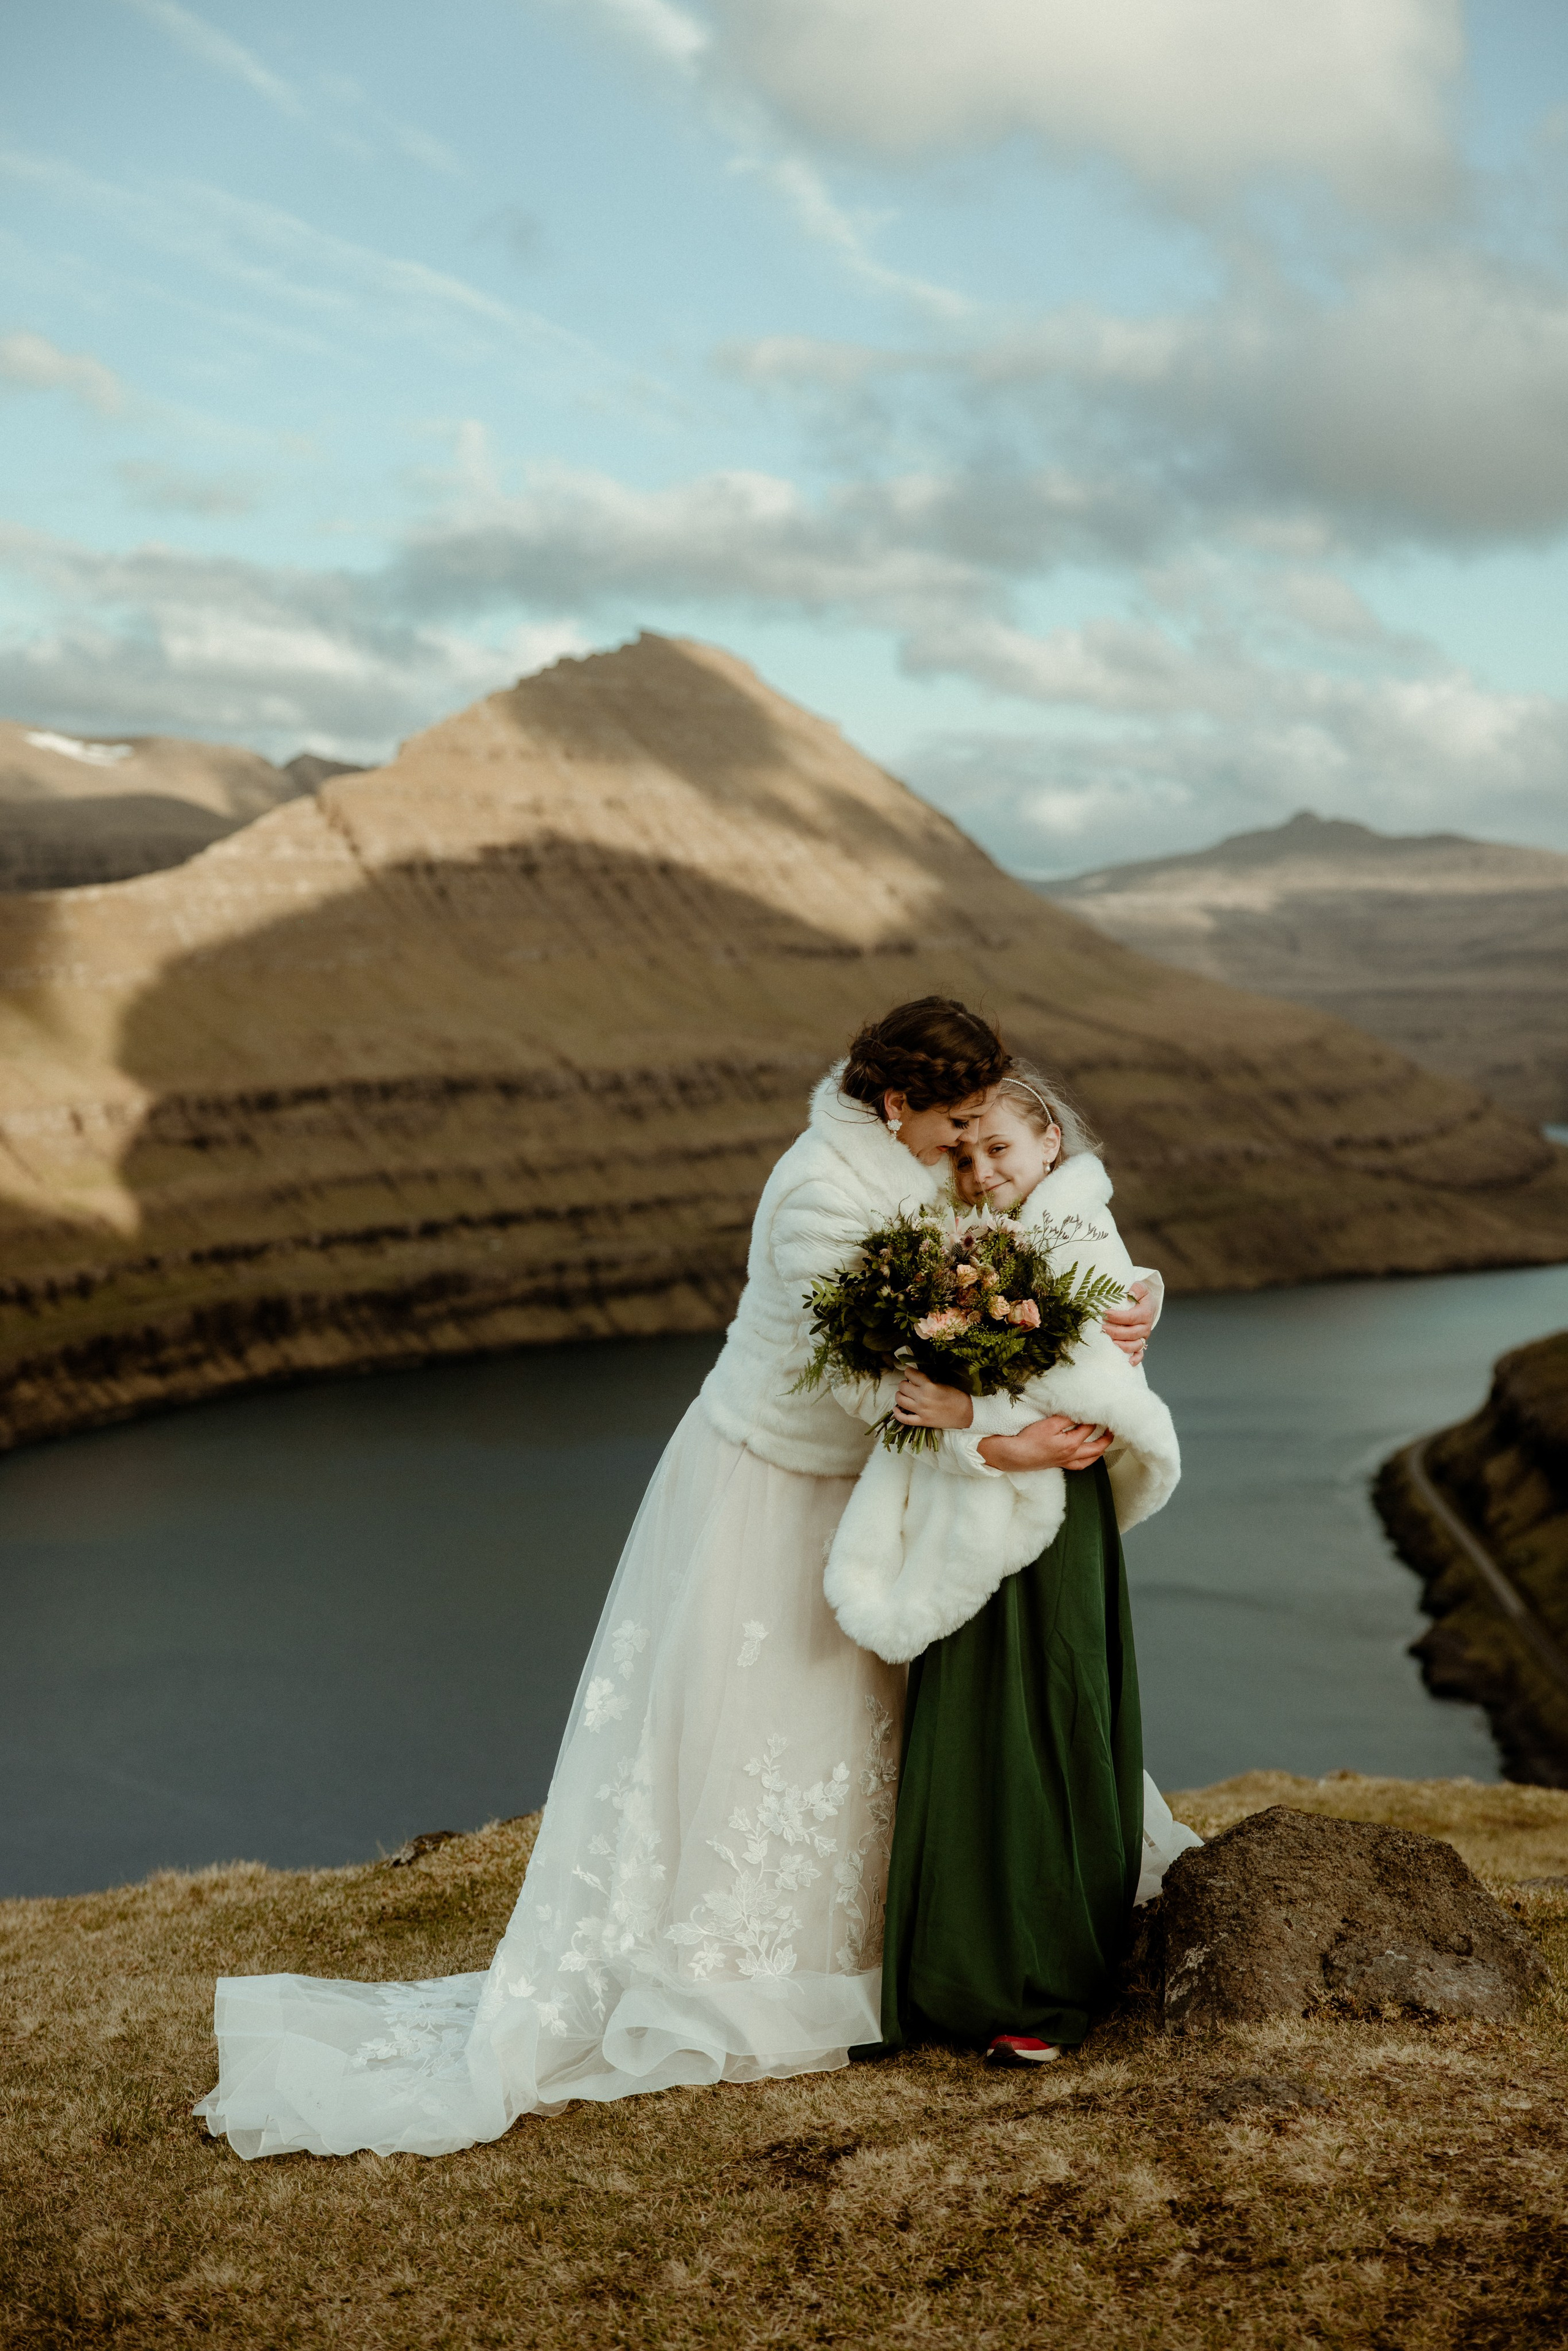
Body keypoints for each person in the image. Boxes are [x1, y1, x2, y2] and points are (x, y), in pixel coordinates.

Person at [194, 1002, 1159, 2159]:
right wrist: (1005, 1440)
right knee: (776, 1726)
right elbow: (874, 1389)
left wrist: (1118, 1313)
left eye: (981, 1133)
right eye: (954, 1127)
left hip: (874, 1489)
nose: (970, 1153)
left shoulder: (927, 1160)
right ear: (896, 1106)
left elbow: (1026, 1258)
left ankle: (905, 1940)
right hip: (774, 1487)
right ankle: (761, 1969)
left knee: (873, 1726)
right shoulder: (821, 1195)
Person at [870, 1071, 1200, 2069]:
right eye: (964, 1155)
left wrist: (976, 1421)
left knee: (1050, 1727)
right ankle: (958, 1973)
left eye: (1000, 1149)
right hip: (977, 1522)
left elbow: (1085, 1408)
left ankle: (1050, 1987)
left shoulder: (1073, 1232)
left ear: (1050, 1141)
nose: (980, 1172)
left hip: (1054, 1524)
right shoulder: (977, 1237)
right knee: (975, 1734)